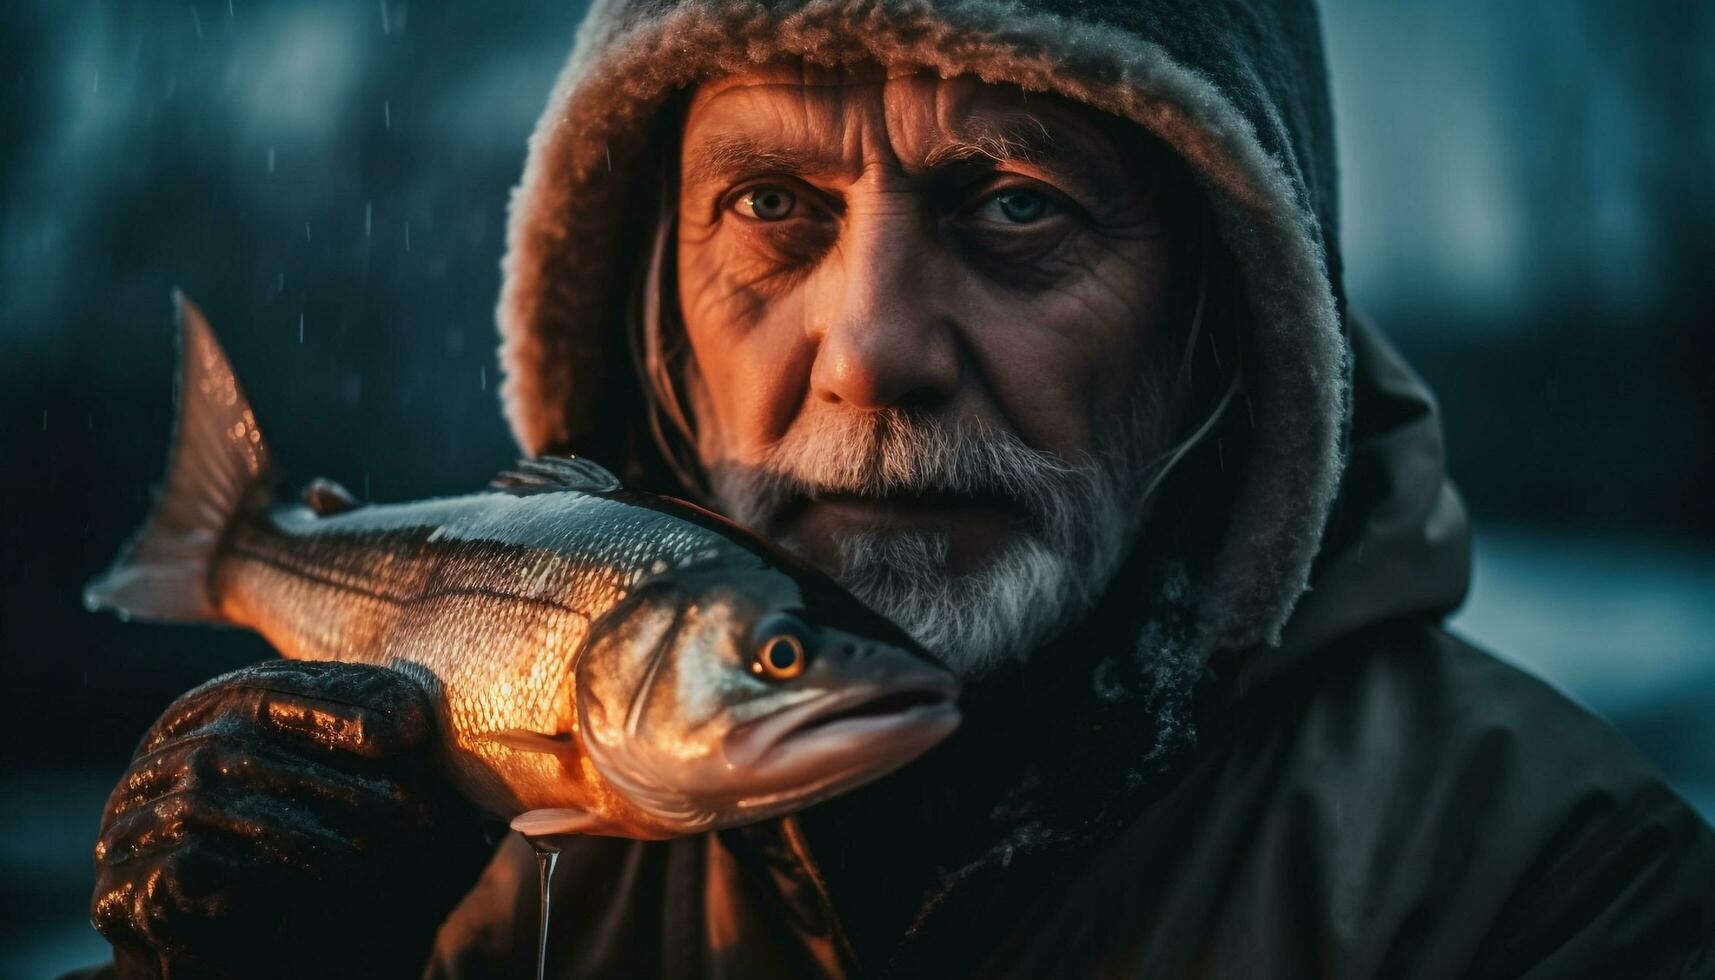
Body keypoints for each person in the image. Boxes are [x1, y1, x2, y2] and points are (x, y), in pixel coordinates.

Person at [80, 0, 1715, 976]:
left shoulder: (1562, 898)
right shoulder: (451, 872)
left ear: (1232, 324)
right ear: (648, 313)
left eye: (1013, 203)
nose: (869, 347)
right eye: (774, 203)